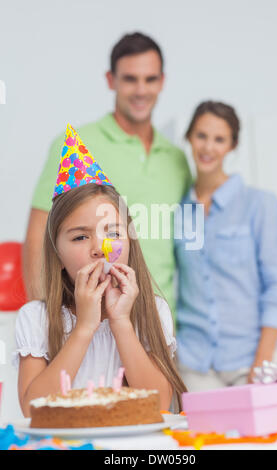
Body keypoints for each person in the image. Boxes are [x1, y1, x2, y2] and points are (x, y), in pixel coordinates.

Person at [13, 125, 187, 417]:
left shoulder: (152, 313)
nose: (99, 249)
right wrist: (84, 328)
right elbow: (33, 410)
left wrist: (120, 321)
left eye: (113, 233)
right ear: (57, 254)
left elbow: (158, 406)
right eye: (80, 237)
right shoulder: (36, 319)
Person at [23, 32, 192, 318]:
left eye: (150, 79)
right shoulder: (74, 144)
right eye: (130, 79)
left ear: (162, 82)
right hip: (91, 322)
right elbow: (39, 237)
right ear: (111, 80)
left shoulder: (177, 160)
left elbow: (185, 251)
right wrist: (48, 323)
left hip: (160, 322)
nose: (141, 90)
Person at [174, 101, 277, 391]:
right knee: (199, 436)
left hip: (252, 360)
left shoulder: (259, 204)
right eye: (201, 136)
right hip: (195, 364)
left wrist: (262, 363)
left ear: (232, 146)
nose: (208, 147)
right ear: (189, 137)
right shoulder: (178, 211)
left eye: (220, 139)